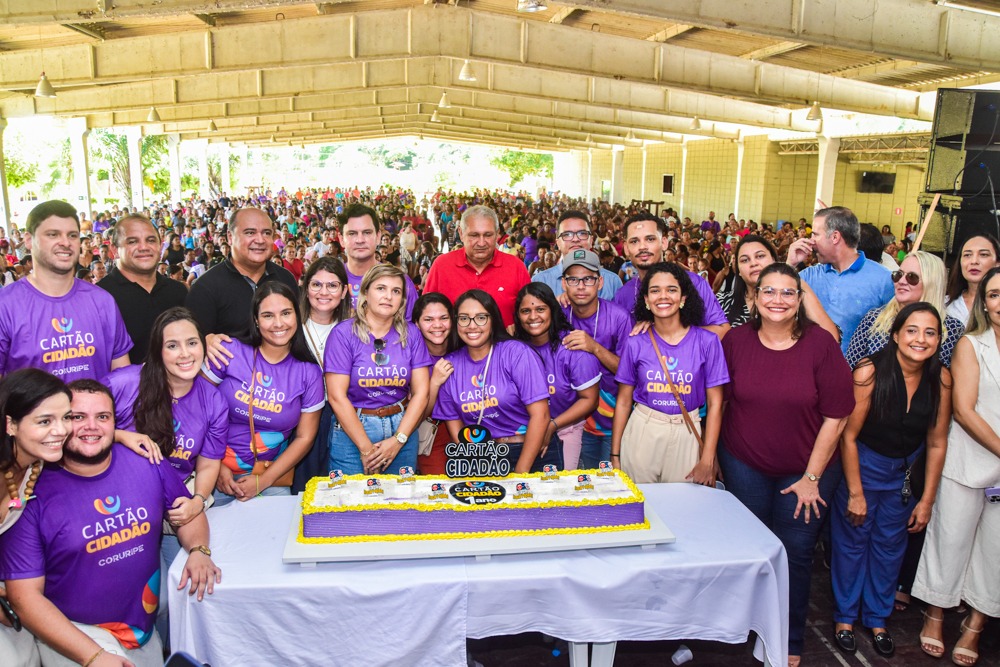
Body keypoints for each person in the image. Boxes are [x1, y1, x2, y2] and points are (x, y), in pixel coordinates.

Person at [0, 379, 220, 667]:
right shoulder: (34, 490)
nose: (90, 426)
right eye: (77, 417)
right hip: (73, 636)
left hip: (141, 633)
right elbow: (26, 598)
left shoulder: (146, 460)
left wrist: (199, 550)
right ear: (12, 425)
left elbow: (186, 513)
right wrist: (93, 656)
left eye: (102, 417)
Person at [718, 263, 855, 666]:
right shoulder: (736, 341)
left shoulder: (821, 345)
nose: (777, 300)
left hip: (806, 470)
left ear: (799, 301)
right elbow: (719, 400)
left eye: (787, 293)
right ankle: (742, 628)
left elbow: (837, 415)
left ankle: (788, 638)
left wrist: (812, 477)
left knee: (794, 553)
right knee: (751, 550)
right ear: (755, 299)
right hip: (745, 463)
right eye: (769, 292)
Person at [830, 303, 951, 658]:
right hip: (863, 468)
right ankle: (844, 619)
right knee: (852, 544)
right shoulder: (869, 371)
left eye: (930, 332)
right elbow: (847, 436)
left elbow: (937, 441)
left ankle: (878, 619)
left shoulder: (941, 378)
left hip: (904, 478)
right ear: (896, 335)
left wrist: (927, 500)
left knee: (889, 549)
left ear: (939, 340)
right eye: (912, 330)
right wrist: (855, 492)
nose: (920, 339)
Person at [913, 266, 1000, 666]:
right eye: (995, 295)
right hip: (969, 460)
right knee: (950, 541)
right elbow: (963, 412)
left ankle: (975, 626)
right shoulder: (971, 344)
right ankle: (935, 615)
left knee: (995, 552)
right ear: (984, 302)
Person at [202, 282, 324, 503]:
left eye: (286, 313)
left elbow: (305, 437)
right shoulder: (229, 351)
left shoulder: (309, 372)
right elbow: (194, 409)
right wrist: (215, 466)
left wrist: (263, 481)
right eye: (268, 315)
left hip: (271, 478)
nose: (278, 323)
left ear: (297, 315)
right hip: (212, 472)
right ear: (256, 320)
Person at [611, 263, 727, 483]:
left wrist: (708, 458)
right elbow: (624, 401)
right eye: (655, 290)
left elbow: (715, 404)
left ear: (683, 298)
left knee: (682, 511)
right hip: (643, 430)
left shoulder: (708, 342)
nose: (663, 296)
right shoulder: (635, 342)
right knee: (641, 510)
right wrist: (615, 454)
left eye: (671, 290)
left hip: (687, 432)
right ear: (646, 299)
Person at [0, 200, 132, 382]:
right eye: (53, 234)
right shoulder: (5, 305)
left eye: (72, 235)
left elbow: (123, 379)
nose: (65, 243)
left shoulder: (103, 301)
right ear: (29, 240)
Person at [326, 265, 431, 475]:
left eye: (396, 291)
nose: (388, 297)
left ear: (402, 300)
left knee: (400, 504)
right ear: (365, 293)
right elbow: (337, 397)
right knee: (350, 504)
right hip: (353, 431)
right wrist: (366, 450)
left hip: (402, 428)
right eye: (381, 288)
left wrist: (398, 440)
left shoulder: (411, 334)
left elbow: (422, 393)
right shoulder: (343, 334)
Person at [433, 290, 551, 473]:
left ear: (493, 320)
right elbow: (455, 425)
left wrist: (521, 474)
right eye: (464, 318)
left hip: (530, 452)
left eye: (481, 317)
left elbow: (541, 415)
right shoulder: (449, 365)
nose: (472, 326)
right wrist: (478, 464)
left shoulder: (516, 353)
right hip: (483, 457)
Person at [0, 370, 72, 667]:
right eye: (45, 421)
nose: (61, 430)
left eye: (67, 417)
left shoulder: (35, 461)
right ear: (11, 425)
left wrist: (124, 435)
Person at [514, 283, 601, 471]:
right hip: (521, 430)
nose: (533, 316)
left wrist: (552, 426)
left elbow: (590, 400)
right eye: (525, 311)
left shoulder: (572, 346)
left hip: (564, 429)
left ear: (552, 311)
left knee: (560, 491)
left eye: (540, 309)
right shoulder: (513, 348)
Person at [786, 206, 894, 354]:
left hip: (856, 373)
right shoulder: (809, 275)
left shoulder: (883, 279)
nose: (811, 242)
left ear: (835, 237)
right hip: (810, 368)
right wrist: (790, 265)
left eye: (815, 235)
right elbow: (778, 298)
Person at [560, 250, 633, 469]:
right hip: (576, 421)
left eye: (588, 279)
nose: (581, 286)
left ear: (600, 282)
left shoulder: (619, 317)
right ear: (564, 284)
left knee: (612, 486)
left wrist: (594, 348)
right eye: (573, 279)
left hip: (615, 421)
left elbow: (630, 373)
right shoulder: (558, 315)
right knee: (584, 485)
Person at [186, 207, 298, 339]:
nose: (260, 240)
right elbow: (193, 342)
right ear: (230, 237)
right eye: (250, 233)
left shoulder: (286, 279)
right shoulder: (205, 288)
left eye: (267, 233)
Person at [614, 213, 730, 337]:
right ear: (626, 248)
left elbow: (723, 330)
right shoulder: (622, 295)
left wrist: (671, 332)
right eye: (634, 241)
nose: (642, 247)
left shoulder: (693, 283)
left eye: (650, 239)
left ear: (664, 242)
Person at [846, 251, 964, 368]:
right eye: (898, 274)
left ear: (931, 283)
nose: (901, 281)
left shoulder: (952, 329)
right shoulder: (873, 319)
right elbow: (849, 368)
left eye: (911, 277)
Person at [292, 257, 351, 489]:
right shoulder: (290, 326)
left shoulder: (354, 329)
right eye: (316, 285)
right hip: (299, 417)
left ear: (344, 291)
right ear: (306, 289)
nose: (323, 292)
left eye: (332, 285)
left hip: (343, 416)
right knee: (301, 487)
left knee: (337, 488)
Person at [98, 215, 188, 364]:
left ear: (160, 245)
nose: (144, 247)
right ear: (114, 249)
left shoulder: (178, 291)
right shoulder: (100, 297)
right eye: (132, 241)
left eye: (151, 240)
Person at [424, 205, 531, 327]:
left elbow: (529, 314)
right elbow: (426, 314)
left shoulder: (516, 267)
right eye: (474, 235)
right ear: (461, 233)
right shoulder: (442, 265)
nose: (481, 243)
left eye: (488, 235)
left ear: (497, 234)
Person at [718, 234, 839, 339]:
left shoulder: (793, 298)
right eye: (745, 260)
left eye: (760, 256)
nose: (753, 263)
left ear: (774, 260)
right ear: (738, 269)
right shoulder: (721, 302)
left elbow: (831, 336)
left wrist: (788, 274)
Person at [341, 204, 419, 319]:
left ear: (378, 237)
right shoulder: (330, 281)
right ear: (341, 239)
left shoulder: (401, 282)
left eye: (367, 232)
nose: (360, 240)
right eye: (352, 233)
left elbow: (414, 329)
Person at [412, 293, 458, 475]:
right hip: (431, 433)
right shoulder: (411, 357)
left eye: (443, 318)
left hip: (470, 431)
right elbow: (418, 417)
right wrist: (434, 383)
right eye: (428, 319)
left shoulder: (466, 349)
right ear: (416, 324)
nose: (437, 325)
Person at [531, 210, 623, 300]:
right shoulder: (540, 281)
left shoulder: (612, 282)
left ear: (591, 240)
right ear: (558, 243)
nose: (575, 239)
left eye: (582, 233)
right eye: (567, 234)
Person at [944, 234, 1000, 326]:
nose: (974, 261)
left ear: (998, 262)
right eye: (967, 255)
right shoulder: (944, 304)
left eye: (983, 254)